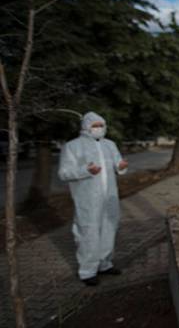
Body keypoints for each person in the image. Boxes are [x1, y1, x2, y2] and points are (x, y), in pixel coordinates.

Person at [58, 112, 128, 286]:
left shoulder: (110, 145)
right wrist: (86, 171)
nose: (98, 129)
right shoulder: (73, 146)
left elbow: (118, 165)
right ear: (85, 127)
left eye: (101, 125)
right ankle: (87, 271)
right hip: (87, 199)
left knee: (109, 229)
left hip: (109, 196)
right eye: (95, 125)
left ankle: (104, 264)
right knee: (88, 232)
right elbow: (64, 173)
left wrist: (121, 167)